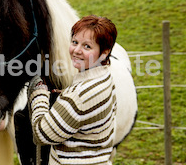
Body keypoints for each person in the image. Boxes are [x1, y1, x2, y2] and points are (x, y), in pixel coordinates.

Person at [28, 15, 118, 165]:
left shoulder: (78, 97)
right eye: (75, 42)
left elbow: (41, 134)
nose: (76, 50)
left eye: (87, 46)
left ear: (104, 52)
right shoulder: (105, 77)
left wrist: (39, 93)